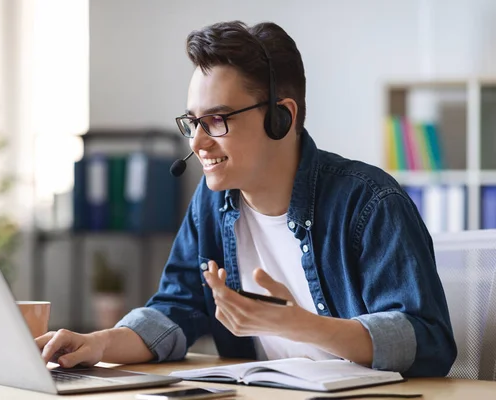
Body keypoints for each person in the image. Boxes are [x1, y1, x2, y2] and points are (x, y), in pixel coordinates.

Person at [37, 20, 456, 377]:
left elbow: (428, 341)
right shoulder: (211, 203)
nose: (198, 141)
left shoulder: (368, 203)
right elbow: (174, 309)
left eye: (216, 120)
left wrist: (303, 326)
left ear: (282, 117)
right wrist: (96, 344)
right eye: (192, 122)